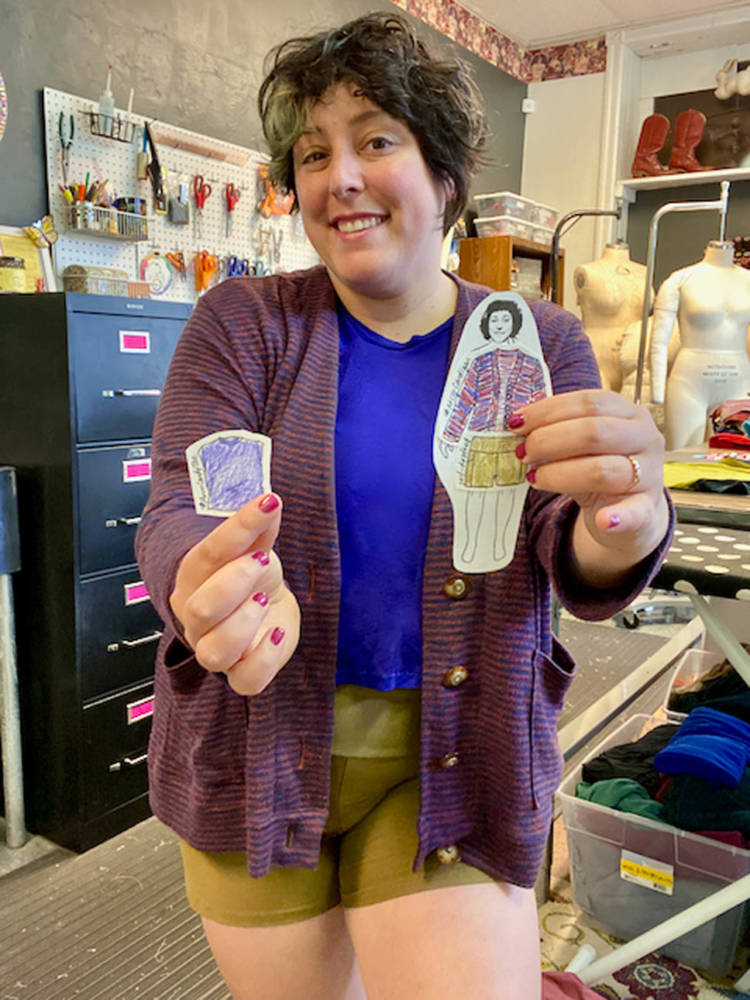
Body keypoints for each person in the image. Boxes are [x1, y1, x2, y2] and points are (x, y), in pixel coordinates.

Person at [135, 13, 673, 1000]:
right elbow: (178, 504)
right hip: (256, 750)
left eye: (375, 139)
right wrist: (202, 584)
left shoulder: (536, 342)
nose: (338, 175)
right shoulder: (243, 324)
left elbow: (571, 536)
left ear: (446, 176)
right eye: (311, 154)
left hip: (464, 751)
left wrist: (623, 521)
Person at [436, 296, 549, 568]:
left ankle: (499, 544)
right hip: (480, 440)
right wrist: (450, 436)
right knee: (475, 496)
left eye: (505, 319)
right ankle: (472, 543)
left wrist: (544, 441)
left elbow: (543, 403)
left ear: (514, 323)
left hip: (515, 445)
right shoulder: (478, 361)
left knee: (508, 497)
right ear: (487, 324)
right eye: (495, 320)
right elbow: (465, 400)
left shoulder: (532, 363)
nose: (500, 325)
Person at [650, 239, 750, 450]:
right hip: (691, 381)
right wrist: (657, 391)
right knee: (679, 456)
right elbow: (659, 340)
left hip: (739, 381)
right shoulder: (681, 279)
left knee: (736, 463)